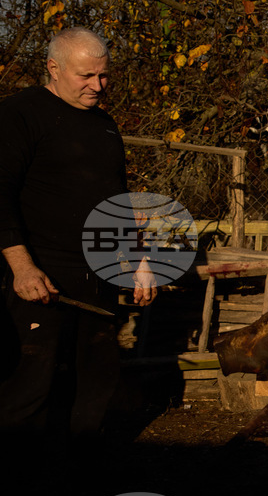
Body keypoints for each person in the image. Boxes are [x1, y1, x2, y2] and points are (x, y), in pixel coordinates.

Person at [0, 27, 157, 439]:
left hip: (98, 275)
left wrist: (139, 261)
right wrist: (22, 268)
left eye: (104, 76)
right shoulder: (18, 115)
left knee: (96, 384)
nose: (97, 86)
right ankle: (20, 485)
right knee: (31, 383)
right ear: (53, 68)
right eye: (85, 76)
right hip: (41, 276)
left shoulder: (103, 124)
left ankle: (81, 476)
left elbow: (117, 201)